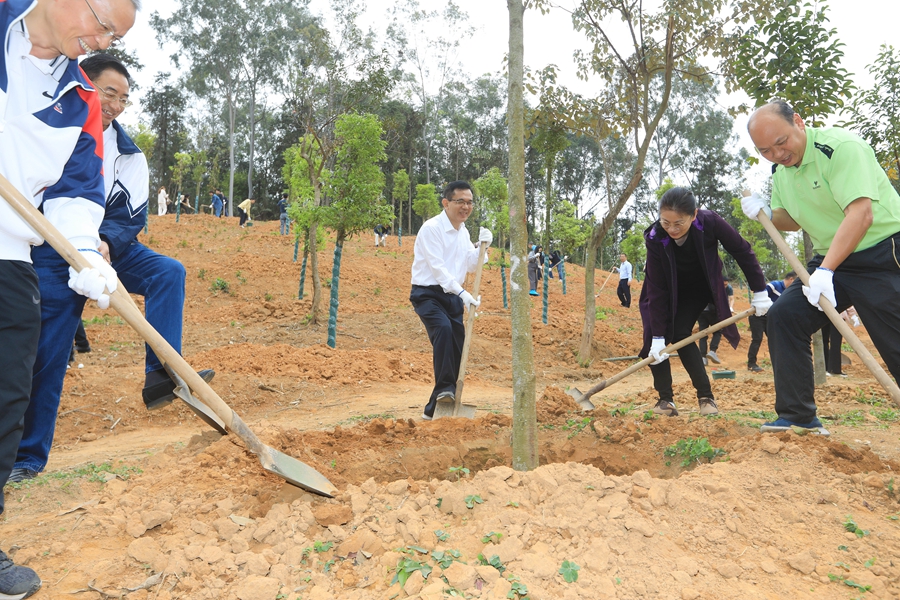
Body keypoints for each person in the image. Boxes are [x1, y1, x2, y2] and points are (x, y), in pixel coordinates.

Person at [11, 54, 214, 486]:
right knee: (48, 351)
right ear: (85, 86)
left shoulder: (129, 155)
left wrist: (105, 243)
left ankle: (161, 373)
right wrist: (79, 248)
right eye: (109, 94)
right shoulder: (54, 132)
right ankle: (27, 457)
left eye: (124, 99)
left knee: (168, 272)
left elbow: (131, 218)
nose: (117, 105)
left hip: (110, 248)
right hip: (56, 250)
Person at [0, 0, 138, 595]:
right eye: (102, 22)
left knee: (8, 397)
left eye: (114, 34)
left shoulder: (81, 97)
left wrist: (86, 255)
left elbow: (77, 192)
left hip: (11, 257)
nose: (101, 39)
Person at [742, 99, 900, 434]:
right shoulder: (781, 173)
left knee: (895, 342)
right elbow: (793, 221)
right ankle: (799, 417)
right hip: (832, 257)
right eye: (765, 150)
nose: (777, 154)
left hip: (880, 252)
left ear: (798, 122)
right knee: (785, 316)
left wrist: (826, 271)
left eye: (781, 143)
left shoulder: (841, 148)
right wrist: (768, 213)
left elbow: (861, 214)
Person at [639, 187, 771, 417]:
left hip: (699, 287)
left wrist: (759, 290)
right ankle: (665, 401)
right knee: (654, 340)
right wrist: (659, 336)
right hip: (664, 288)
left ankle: (705, 397)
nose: (671, 229)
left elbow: (742, 251)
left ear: (694, 214)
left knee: (681, 333)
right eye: (665, 222)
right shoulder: (655, 236)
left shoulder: (709, 222)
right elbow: (657, 289)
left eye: (678, 223)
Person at [410, 181, 491, 420]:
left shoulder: (463, 232)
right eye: (460, 202)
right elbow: (438, 270)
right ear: (446, 203)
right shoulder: (431, 228)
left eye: (469, 202)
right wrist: (464, 295)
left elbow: (469, 265)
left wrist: (483, 248)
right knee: (443, 331)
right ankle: (446, 389)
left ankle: (435, 408)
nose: (466, 207)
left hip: (452, 297)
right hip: (428, 294)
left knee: (457, 345)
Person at [745, 271, 796, 372]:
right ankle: (751, 364)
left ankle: (780, 363)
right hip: (757, 316)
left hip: (770, 318)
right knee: (757, 339)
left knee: (776, 340)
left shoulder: (788, 292)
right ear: (791, 279)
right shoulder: (774, 285)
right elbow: (759, 296)